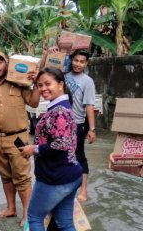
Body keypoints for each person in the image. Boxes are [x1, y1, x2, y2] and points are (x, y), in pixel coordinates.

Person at [0, 50, 40, 227]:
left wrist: (35, 84)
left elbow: (34, 103)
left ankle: (28, 214)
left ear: (6, 64)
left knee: (22, 177)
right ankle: (11, 208)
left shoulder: (19, 84)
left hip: (17, 138)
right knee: (5, 176)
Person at [20, 67, 83, 231]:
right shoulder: (61, 106)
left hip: (55, 177)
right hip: (70, 175)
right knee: (65, 223)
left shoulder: (59, 111)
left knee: (34, 218)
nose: (43, 89)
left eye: (48, 84)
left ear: (61, 84)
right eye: (40, 85)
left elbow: (61, 143)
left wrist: (35, 149)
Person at [65, 49, 96, 201]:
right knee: (62, 156)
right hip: (61, 124)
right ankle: (66, 187)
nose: (78, 64)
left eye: (81, 62)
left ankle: (83, 190)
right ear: (71, 60)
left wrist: (91, 129)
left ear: (86, 63)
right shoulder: (63, 76)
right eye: (76, 60)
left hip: (76, 125)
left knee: (79, 157)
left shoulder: (87, 81)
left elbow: (89, 105)